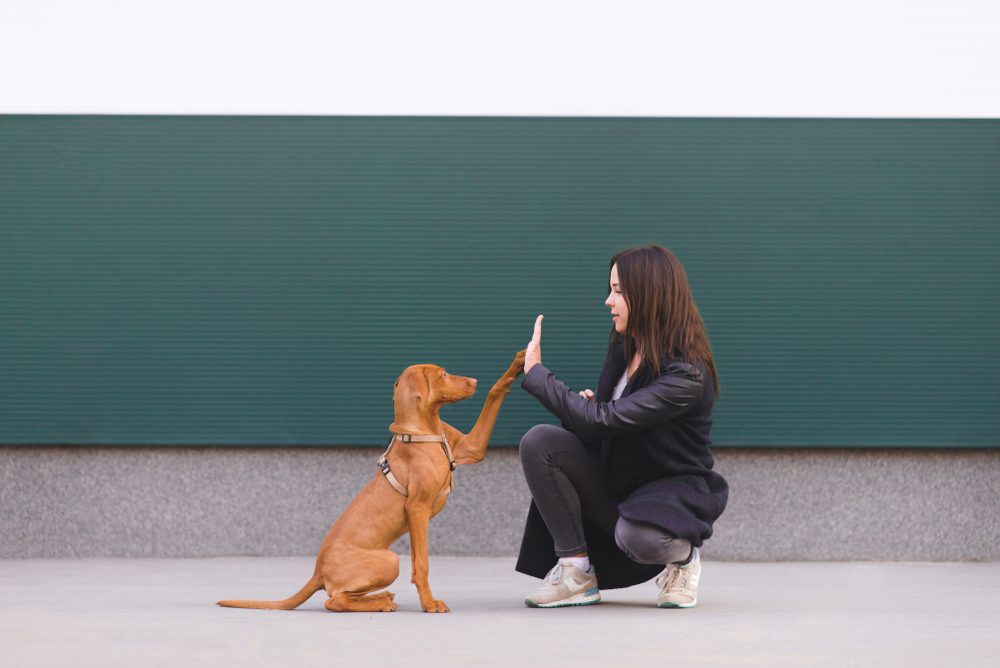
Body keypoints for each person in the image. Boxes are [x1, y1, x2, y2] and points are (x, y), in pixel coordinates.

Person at [516, 245, 728, 608]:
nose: (608, 301)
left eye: (617, 290)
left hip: (666, 494)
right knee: (540, 442)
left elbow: (607, 421)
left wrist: (538, 375)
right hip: (620, 480)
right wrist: (587, 409)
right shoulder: (625, 348)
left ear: (648, 294)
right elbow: (604, 423)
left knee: (638, 536)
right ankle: (575, 570)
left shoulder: (686, 373)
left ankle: (683, 560)